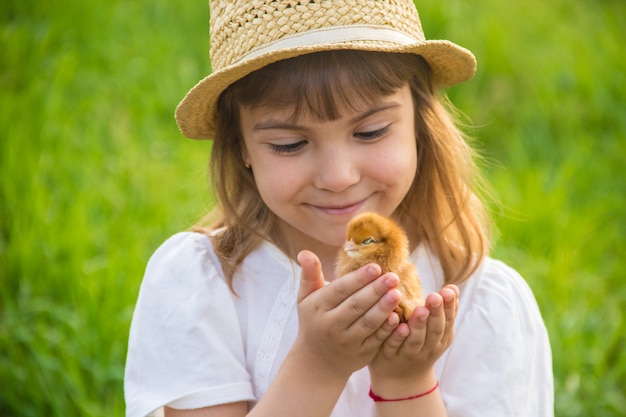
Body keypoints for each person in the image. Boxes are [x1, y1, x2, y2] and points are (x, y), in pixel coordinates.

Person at [124, 1, 554, 416]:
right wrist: (318, 365)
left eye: (370, 132)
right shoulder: (201, 285)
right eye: (289, 144)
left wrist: (407, 381)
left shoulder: (481, 304)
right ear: (242, 148)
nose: (338, 176)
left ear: (420, 123)